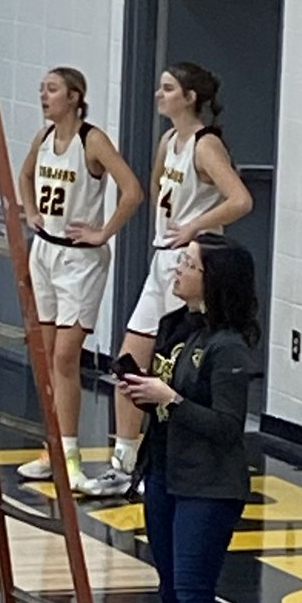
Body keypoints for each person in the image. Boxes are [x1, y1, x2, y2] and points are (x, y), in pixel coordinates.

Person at [116, 234, 258, 603]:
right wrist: (142, 392)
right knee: (171, 590)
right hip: (168, 476)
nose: (179, 267)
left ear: (212, 279)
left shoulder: (229, 348)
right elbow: (168, 398)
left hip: (209, 487)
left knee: (196, 595)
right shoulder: (182, 331)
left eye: (190, 263)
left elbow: (226, 426)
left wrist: (169, 399)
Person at [107, 63, 252, 491]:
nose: (158, 94)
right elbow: (157, 192)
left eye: (168, 89)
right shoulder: (169, 140)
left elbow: (240, 200)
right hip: (162, 261)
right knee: (128, 363)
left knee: (168, 372)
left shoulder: (206, 146)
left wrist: (194, 228)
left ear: (190, 97)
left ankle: (156, 464)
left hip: (189, 265)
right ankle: (124, 463)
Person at [16, 67, 143, 492]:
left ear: (74, 96)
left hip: (81, 260)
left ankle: (69, 456)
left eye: (51, 89)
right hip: (45, 252)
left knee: (67, 357)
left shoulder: (93, 140)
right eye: (41, 89)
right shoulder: (43, 137)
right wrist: (31, 212)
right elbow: (25, 175)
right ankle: (52, 448)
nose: (43, 96)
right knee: (48, 355)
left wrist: (104, 231)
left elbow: (132, 191)